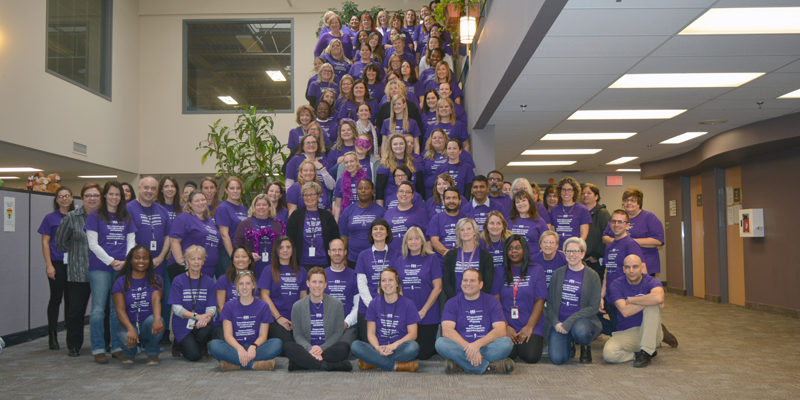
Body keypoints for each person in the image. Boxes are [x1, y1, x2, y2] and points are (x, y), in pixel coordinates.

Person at [85, 181, 137, 364]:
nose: (115, 198)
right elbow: (93, 244)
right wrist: (111, 261)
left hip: (122, 268)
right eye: (112, 194)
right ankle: (99, 348)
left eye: (118, 195)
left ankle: (116, 347)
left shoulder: (126, 216)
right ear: (105, 195)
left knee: (117, 310)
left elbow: (131, 242)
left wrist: (125, 261)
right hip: (100, 268)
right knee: (99, 309)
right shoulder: (95, 216)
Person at [435, 268, 514, 374]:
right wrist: (469, 347)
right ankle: (488, 367)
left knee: (507, 343)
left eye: (472, 281)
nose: (468, 284)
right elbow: (447, 331)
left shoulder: (492, 301)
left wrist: (476, 345)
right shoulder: (452, 303)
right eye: (465, 280)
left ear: (481, 284)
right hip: (461, 347)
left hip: (485, 347)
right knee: (441, 343)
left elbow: (500, 330)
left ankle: (460, 364)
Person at [56, 183, 101, 357]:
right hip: (78, 272)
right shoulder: (72, 217)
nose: (92, 199)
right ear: (82, 198)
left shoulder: (105, 218)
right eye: (88, 195)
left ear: (100, 198)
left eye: (95, 195)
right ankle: (74, 345)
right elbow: (60, 242)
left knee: (101, 311)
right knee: (75, 311)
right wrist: (76, 253)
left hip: (101, 272)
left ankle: (104, 343)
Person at [209, 270, 282, 371]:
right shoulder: (228, 306)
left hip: (256, 347)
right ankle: (254, 365)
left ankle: (235, 364)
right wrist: (239, 349)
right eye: (241, 284)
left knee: (277, 344)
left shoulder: (263, 306)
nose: (244, 287)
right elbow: (228, 335)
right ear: (237, 287)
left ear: (253, 285)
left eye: (248, 283)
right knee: (213, 345)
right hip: (235, 347)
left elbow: (263, 336)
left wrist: (253, 347)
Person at [602, 254, 668, 368]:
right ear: (623, 269)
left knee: (651, 306)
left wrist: (632, 300)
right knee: (609, 354)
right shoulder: (616, 284)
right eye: (627, 267)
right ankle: (638, 354)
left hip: (650, 332)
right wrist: (649, 300)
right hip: (628, 333)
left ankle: (646, 351)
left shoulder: (651, 281)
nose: (631, 271)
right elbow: (625, 311)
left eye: (635, 267)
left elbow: (658, 298)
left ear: (642, 267)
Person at [351, 267, 420, 372]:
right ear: (380, 284)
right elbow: (371, 333)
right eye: (383, 280)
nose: (387, 283)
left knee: (413, 347)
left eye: (391, 280)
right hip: (379, 349)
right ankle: (395, 366)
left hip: (398, 348)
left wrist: (394, 345)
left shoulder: (408, 304)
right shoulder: (374, 303)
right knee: (355, 345)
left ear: (397, 283)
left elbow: (413, 334)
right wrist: (378, 348)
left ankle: (374, 363)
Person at [284, 267, 353, 371]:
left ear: (325, 284)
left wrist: (322, 348)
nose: (317, 285)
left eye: (320, 282)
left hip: (328, 348)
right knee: (288, 347)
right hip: (307, 348)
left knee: (344, 348)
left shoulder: (337, 304)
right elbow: (297, 335)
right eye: (314, 282)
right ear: (308, 283)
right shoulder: (297, 306)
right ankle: (328, 366)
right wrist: (310, 348)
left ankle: (304, 363)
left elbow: (338, 333)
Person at [546, 237, 602, 365]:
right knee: (557, 359)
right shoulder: (557, 274)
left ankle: (585, 345)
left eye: (575, 251)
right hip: (560, 323)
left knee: (581, 331)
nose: (571, 255)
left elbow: (593, 307)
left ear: (582, 253)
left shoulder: (592, 276)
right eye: (568, 251)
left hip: (581, 322)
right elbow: (549, 303)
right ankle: (569, 342)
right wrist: (556, 323)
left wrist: (570, 321)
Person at [111, 245, 164, 365]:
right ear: (130, 260)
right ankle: (129, 353)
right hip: (128, 322)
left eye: (145, 258)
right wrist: (130, 328)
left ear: (149, 261)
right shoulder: (120, 281)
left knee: (157, 321)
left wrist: (157, 319)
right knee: (126, 336)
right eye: (137, 258)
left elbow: (156, 300)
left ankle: (152, 352)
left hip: (147, 323)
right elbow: (120, 310)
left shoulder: (156, 279)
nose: (141, 261)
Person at [499, 235, 547, 364]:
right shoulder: (500, 271)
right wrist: (505, 326)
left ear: (524, 250)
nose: (514, 251)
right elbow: (495, 302)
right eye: (510, 248)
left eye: (517, 248)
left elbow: (540, 300)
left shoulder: (536, 270)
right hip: (507, 324)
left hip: (530, 323)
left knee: (530, 356)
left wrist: (529, 327)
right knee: (509, 353)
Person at [396, 226, 442, 360]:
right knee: (409, 350)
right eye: (410, 239)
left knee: (423, 354)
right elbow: (398, 287)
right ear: (406, 242)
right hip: (407, 313)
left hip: (428, 313)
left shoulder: (432, 259)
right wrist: (408, 310)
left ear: (422, 241)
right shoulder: (400, 260)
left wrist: (423, 311)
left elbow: (438, 287)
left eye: (417, 238)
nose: (414, 242)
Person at [39, 186, 75, 350]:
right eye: (60, 196)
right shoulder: (50, 218)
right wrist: (49, 265)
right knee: (55, 299)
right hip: (57, 263)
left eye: (67, 196)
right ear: (56, 199)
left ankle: (71, 336)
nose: (64, 199)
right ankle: (52, 335)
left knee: (71, 301)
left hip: (74, 264)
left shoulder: (77, 217)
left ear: (72, 198)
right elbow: (45, 242)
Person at [603, 187, 666, 276]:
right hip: (621, 264)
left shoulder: (649, 217)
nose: (629, 203)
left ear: (639, 203)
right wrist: (618, 242)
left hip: (645, 264)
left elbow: (658, 240)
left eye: (633, 200)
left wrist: (629, 242)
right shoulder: (618, 217)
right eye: (626, 200)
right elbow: (605, 237)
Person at [168, 245, 216, 361]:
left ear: (203, 261)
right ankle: (179, 342)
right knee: (194, 356)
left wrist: (206, 317)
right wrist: (197, 317)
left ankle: (198, 344)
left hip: (202, 323)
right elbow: (177, 309)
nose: (196, 262)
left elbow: (212, 308)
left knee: (212, 329)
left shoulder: (209, 281)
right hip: (183, 323)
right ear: (186, 261)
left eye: (199, 259)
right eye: (192, 259)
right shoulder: (178, 280)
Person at [600, 209, 644, 335]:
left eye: (620, 221)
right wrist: (601, 296)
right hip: (610, 297)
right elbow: (607, 272)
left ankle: (655, 330)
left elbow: (641, 271)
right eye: (613, 221)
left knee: (623, 329)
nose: (616, 224)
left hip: (624, 297)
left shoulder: (631, 245)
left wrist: (636, 297)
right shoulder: (609, 245)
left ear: (627, 225)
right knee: (594, 318)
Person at [259, 236, 308, 347]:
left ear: (293, 250)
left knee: (305, 342)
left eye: (288, 247)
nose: (285, 250)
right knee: (288, 344)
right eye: (281, 247)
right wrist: (279, 318)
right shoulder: (268, 270)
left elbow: (303, 296)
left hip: (296, 318)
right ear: (276, 251)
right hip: (275, 319)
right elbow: (264, 296)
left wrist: (300, 319)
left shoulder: (302, 271)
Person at [355, 218, 399, 341]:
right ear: (371, 233)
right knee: (368, 344)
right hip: (367, 306)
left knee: (388, 341)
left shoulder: (397, 254)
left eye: (381, 229)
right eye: (375, 229)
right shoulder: (363, 255)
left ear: (387, 232)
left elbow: (398, 282)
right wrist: (373, 305)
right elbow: (361, 284)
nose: (378, 231)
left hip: (390, 305)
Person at [286, 182, 340, 269]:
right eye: (306, 195)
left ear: (318, 196)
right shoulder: (296, 216)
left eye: (312, 194)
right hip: (302, 263)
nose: (309, 198)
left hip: (324, 262)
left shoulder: (327, 216)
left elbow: (335, 237)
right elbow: (289, 239)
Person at [127, 176, 171, 281]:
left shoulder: (163, 210)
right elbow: (128, 237)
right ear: (139, 188)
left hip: (158, 264)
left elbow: (168, 236)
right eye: (146, 187)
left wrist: (161, 257)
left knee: (157, 295)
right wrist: (144, 259)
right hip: (137, 264)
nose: (149, 191)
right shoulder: (128, 208)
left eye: (153, 188)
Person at [169, 190, 220, 278]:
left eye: (203, 200)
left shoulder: (209, 221)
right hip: (189, 270)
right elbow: (174, 241)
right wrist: (182, 264)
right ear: (190, 204)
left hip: (208, 270)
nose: (201, 203)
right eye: (197, 201)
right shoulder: (183, 218)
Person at [233, 194, 284, 278]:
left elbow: (282, 245)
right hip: (252, 266)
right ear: (254, 207)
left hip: (273, 267)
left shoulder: (278, 225)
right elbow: (237, 244)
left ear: (269, 207)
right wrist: (248, 255)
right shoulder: (245, 224)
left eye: (264, 205)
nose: (261, 207)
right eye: (258, 205)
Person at [442, 218, 494, 300]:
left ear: (474, 231)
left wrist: (475, 299)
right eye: (462, 229)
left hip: (478, 301)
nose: (465, 232)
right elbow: (447, 283)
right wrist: (457, 300)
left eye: (469, 229)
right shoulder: (450, 256)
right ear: (458, 233)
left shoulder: (486, 257)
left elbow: (487, 284)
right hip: (456, 302)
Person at [339, 179, 386, 268]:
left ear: (372, 191)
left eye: (367, 188)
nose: (363, 191)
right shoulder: (348, 211)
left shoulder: (381, 212)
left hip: (375, 258)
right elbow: (344, 236)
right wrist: (343, 257)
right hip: (352, 259)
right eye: (360, 188)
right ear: (357, 191)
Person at [215, 246, 255, 338]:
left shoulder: (255, 280)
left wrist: (244, 323)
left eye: (244, 256)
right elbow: (220, 307)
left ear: (249, 260)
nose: (240, 259)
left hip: (249, 323)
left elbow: (257, 305)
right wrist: (232, 322)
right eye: (237, 257)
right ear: (232, 260)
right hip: (227, 322)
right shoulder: (223, 279)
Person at [324, 239, 359, 343]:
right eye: (334, 250)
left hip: (348, 325)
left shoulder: (354, 275)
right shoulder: (321, 275)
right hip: (325, 324)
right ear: (329, 252)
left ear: (345, 252)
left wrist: (346, 323)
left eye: (340, 250)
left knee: (344, 347)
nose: (337, 253)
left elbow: (357, 306)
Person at [376, 133, 424, 206]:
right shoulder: (384, 165)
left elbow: (420, 188)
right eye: (395, 144)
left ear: (405, 145)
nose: (398, 146)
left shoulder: (415, 163)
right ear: (390, 146)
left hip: (412, 203)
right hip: (392, 205)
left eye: (401, 143)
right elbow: (380, 191)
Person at [383, 181, 428, 254]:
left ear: (413, 195)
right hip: (392, 256)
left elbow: (428, 238)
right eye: (401, 191)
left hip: (413, 255)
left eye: (408, 192)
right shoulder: (388, 213)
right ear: (397, 194)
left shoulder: (421, 212)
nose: (404, 194)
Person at [429, 187, 468, 260]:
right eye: (448, 198)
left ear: (460, 201)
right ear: (443, 202)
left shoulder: (467, 219)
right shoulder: (436, 219)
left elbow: (470, 239)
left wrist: (456, 253)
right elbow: (434, 241)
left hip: (463, 259)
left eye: (454, 198)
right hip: (441, 261)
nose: (451, 201)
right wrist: (448, 253)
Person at [583, 183, 611, 281]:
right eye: (583, 193)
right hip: (583, 258)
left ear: (596, 196)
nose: (585, 195)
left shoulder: (602, 213)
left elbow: (607, 235)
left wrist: (597, 255)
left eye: (589, 193)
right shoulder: (581, 212)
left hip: (595, 259)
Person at [550, 177, 591, 242]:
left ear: (574, 192)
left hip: (575, 248)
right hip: (557, 249)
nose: (566, 192)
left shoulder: (582, 209)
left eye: (569, 190)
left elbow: (584, 235)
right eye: (564, 189)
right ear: (560, 191)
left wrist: (575, 247)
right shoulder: (554, 210)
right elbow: (552, 232)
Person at [509, 190, 549, 256]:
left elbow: (547, 241)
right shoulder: (509, 221)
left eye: (523, 200)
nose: (521, 204)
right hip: (514, 259)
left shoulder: (539, 221)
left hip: (533, 260)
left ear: (529, 202)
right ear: (515, 205)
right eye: (517, 202)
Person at [333, 152, 368, 220]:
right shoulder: (340, 181)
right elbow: (337, 205)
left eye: (351, 161)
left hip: (363, 215)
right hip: (347, 216)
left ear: (357, 162)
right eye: (346, 162)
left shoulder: (366, 179)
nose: (349, 164)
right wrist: (336, 223)